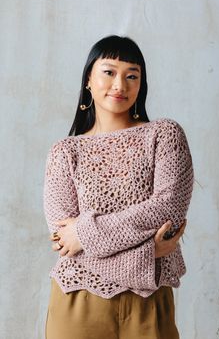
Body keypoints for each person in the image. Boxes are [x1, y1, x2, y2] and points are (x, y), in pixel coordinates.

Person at [43, 35, 194, 339]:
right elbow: (64, 243)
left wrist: (84, 233)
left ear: (141, 84)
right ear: (89, 78)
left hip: (148, 300)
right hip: (78, 301)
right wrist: (149, 251)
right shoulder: (64, 151)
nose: (120, 85)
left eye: (132, 75)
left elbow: (168, 208)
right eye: (109, 72)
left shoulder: (164, 135)